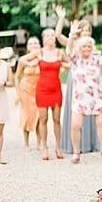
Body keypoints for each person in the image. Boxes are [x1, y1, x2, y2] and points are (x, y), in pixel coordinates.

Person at [53, 7, 100, 155]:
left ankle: (89, 143)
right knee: (76, 111)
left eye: (88, 30)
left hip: (90, 81)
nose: (86, 33)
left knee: (90, 109)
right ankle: (75, 146)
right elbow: (58, 35)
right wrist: (61, 18)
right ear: (79, 31)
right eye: (84, 30)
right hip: (76, 80)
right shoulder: (72, 42)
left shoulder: (91, 46)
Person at [67, 36, 102, 163]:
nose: (87, 49)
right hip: (80, 98)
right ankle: (76, 153)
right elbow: (69, 49)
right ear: (79, 48)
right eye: (84, 46)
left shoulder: (96, 59)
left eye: (89, 46)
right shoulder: (75, 60)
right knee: (75, 126)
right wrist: (72, 35)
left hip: (96, 97)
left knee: (101, 124)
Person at [35, 28, 66, 160]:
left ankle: (58, 147)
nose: (50, 37)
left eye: (52, 35)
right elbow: (23, 60)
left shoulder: (60, 52)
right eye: (47, 35)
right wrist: (30, 63)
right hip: (42, 90)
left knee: (57, 119)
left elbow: (71, 62)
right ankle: (45, 148)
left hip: (56, 90)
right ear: (43, 38)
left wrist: (66, 66)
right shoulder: (39, 52)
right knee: (43, 119)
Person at [15, 37, 43, 151]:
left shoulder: (43, 58)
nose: (34, 45)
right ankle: (26, 143)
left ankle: (39, 143)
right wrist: (18, 94)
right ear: (27, 47)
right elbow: (17, 77)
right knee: (27, 116)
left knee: (40, 116)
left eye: (36, 43)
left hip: (39, 90)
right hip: (25, 89)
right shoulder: (23, 60)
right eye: (31, 43)